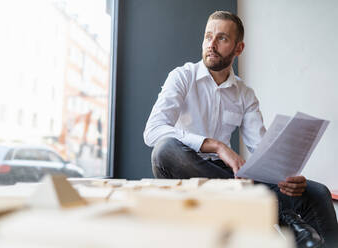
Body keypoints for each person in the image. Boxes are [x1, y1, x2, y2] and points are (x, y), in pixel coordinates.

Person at [143, 11, 338, 248]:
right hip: (185, 166)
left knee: (317, 192)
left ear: (238, 48)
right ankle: (281, 214)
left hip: (227, 176)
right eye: (208, 37)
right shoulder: (182, 77)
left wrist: (285, 175)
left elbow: (261, 151)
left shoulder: (245, 94)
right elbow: (152, 131)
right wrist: (216, 145)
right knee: (165, 150)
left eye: (222, 39)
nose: (211, 45)